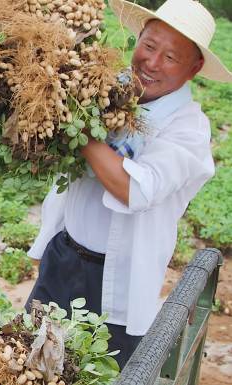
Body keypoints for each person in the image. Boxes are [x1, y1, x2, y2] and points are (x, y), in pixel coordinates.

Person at [25, 0, 232, 369]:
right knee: (32, 361)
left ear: (194, 68)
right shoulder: (105, 88)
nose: (152, 63)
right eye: (149, 46)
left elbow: (133, 190)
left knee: (99, 372)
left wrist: (78, 127)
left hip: (115, 281)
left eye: (171, 57)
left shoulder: (188, 129)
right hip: (62, 258)